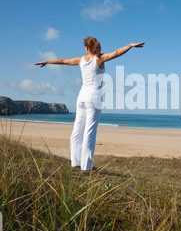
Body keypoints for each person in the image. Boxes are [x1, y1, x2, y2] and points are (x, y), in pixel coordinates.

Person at [35, 37, 145, 171]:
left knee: (77, 130)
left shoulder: (81, 59)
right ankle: (86, 166)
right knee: (89, 132)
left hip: (81, 97)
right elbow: (117, 53)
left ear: (86, 48)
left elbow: (63, 60)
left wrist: (47, 61)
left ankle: (75, 162)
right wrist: (130, 45)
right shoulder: (100, 59)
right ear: (96, 47)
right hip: (94, 98)